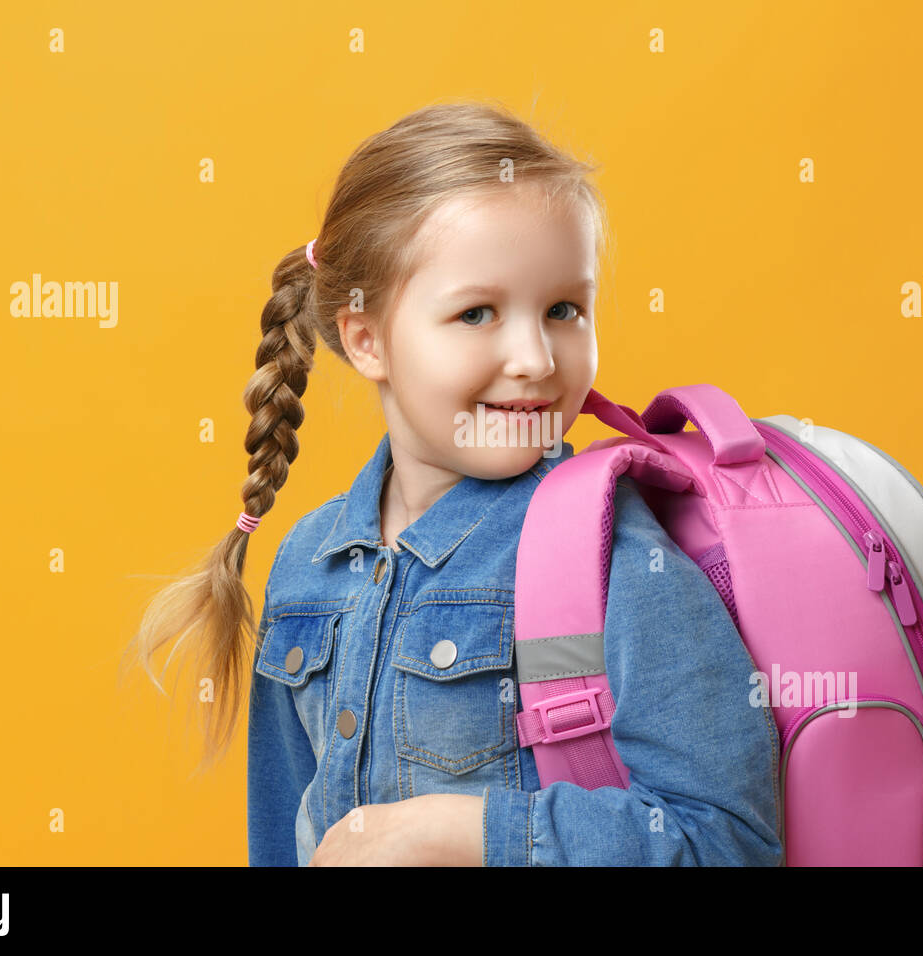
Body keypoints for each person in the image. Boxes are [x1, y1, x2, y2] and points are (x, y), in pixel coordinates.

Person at [125, 100, 782, 866]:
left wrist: (461, 831)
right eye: (477, 314)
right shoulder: (309, 565)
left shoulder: (613, 555)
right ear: (365, 338)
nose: (535, 358)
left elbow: (726, 841)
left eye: (564, 308)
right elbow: (284, 834)